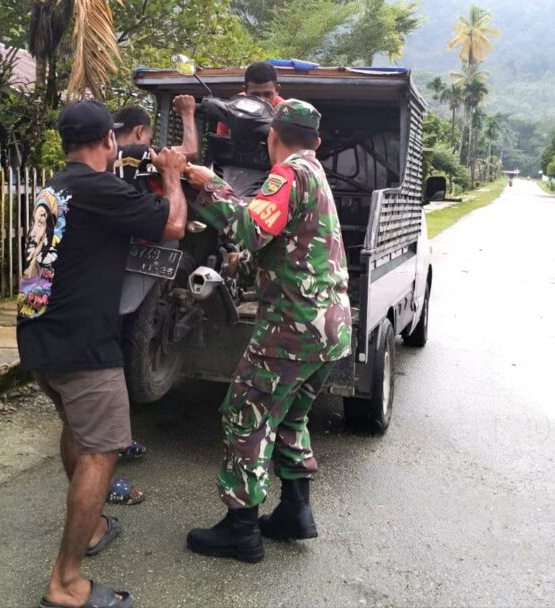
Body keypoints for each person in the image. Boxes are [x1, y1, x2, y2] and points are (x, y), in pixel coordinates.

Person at [19, 100, 188, 608]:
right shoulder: (101, 189)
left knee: (77, 429)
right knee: (104, 450)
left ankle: (90, 531)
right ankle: (65, 583)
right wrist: (173, 175)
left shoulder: (57, 185)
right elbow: (173, 225)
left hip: (39, 335)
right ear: (107, 142)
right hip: (83, 344)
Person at [183, 99, 352, 563]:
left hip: (293, 327)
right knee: (292, 417)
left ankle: (241, 529)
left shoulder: (289, 173)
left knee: (245, 413)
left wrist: (208, 182)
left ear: (272, 137)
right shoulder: (315, 173)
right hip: (330, 327)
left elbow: (251, 227)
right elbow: (294, 241)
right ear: (316, 141)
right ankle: (296, 512)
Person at [100, 95, 200, 508]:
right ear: (141, 131)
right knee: (104, 378)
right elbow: (187, 156)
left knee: (115, 368)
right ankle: (104, 477)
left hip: (107, 273)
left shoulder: (91, 170)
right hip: (114, 284)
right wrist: (188, 115)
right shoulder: (141, 153)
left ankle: (119, 442)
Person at [216, 61, 285, 137]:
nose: (262, 101)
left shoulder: (287, 113)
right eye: (255, 95)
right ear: (245, 91)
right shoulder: (230, 111)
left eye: (267, 94)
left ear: (277, 90)